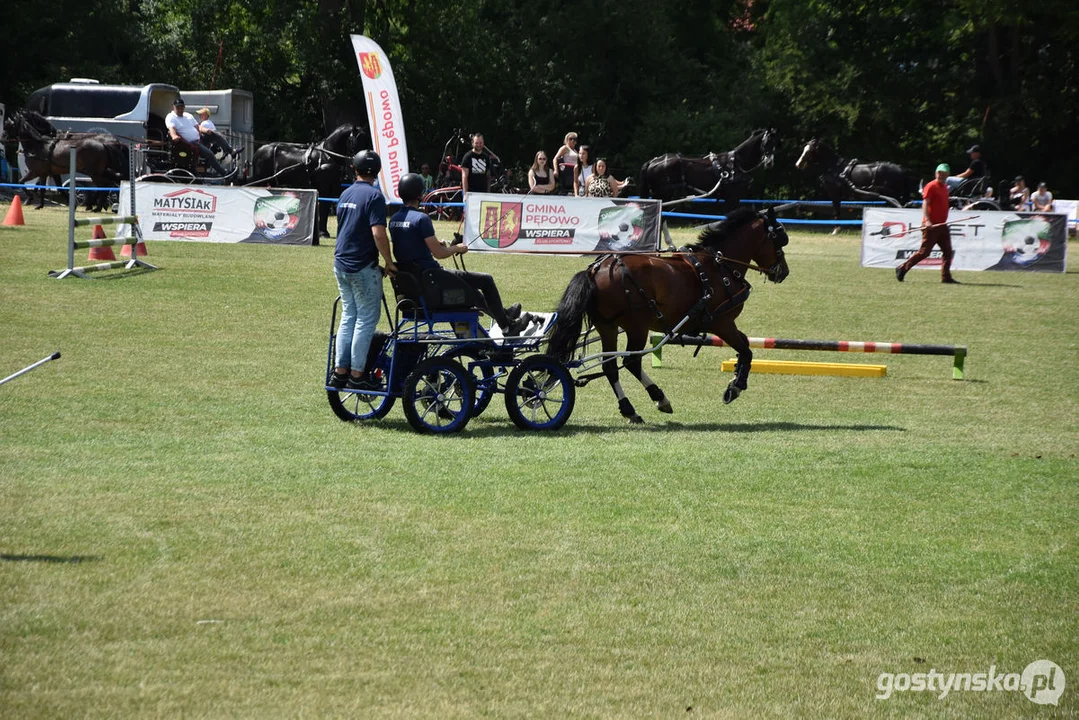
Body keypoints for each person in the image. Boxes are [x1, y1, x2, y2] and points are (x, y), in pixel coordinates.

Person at [389, 173, 533, 336]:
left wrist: (438, 244)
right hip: (431, 280)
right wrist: (456, 248)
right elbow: (439, 254)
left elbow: (410, 247)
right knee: (486, 280)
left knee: (471, 287)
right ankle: (507, 326)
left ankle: (503, 314)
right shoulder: (421, 219)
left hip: (415, 282)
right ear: (420, 193)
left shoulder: (394, 220)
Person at [329, 150, 398, 391]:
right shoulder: (375, 196)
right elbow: (378, 233)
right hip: (361, 266)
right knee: (366, 320)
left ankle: (340, 372)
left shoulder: (345, 193)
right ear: (376, 171)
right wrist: (389, 262)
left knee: (348, 316)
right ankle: (358, 374)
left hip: (341, 264)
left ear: (355, 169)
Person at [896, 163, 957, 284]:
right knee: (924, 252)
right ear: (936, 173)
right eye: (939, 173)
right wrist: (927, 220)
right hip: (931, 225)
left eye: (944, 173)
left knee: (948, 251)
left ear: (948, 175)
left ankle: (946, 277)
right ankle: (902, 268)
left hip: (942, 225)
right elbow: (925, 203)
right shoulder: (931, 186)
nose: (941, 175)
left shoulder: (945, 187)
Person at [164, 98, 229, 177]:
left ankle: (231, 151)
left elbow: (198, 126)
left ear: (184, 107)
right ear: (173, 107)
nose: (180, 109)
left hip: (199, 138)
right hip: (191, 143)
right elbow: (171, 128)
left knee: (216, 135)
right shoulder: (171, 117)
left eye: (181, 107)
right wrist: (174, 136)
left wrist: (206, 130)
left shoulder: (188, 115)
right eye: (177, 108)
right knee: (210, 154)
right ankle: (224, 173)